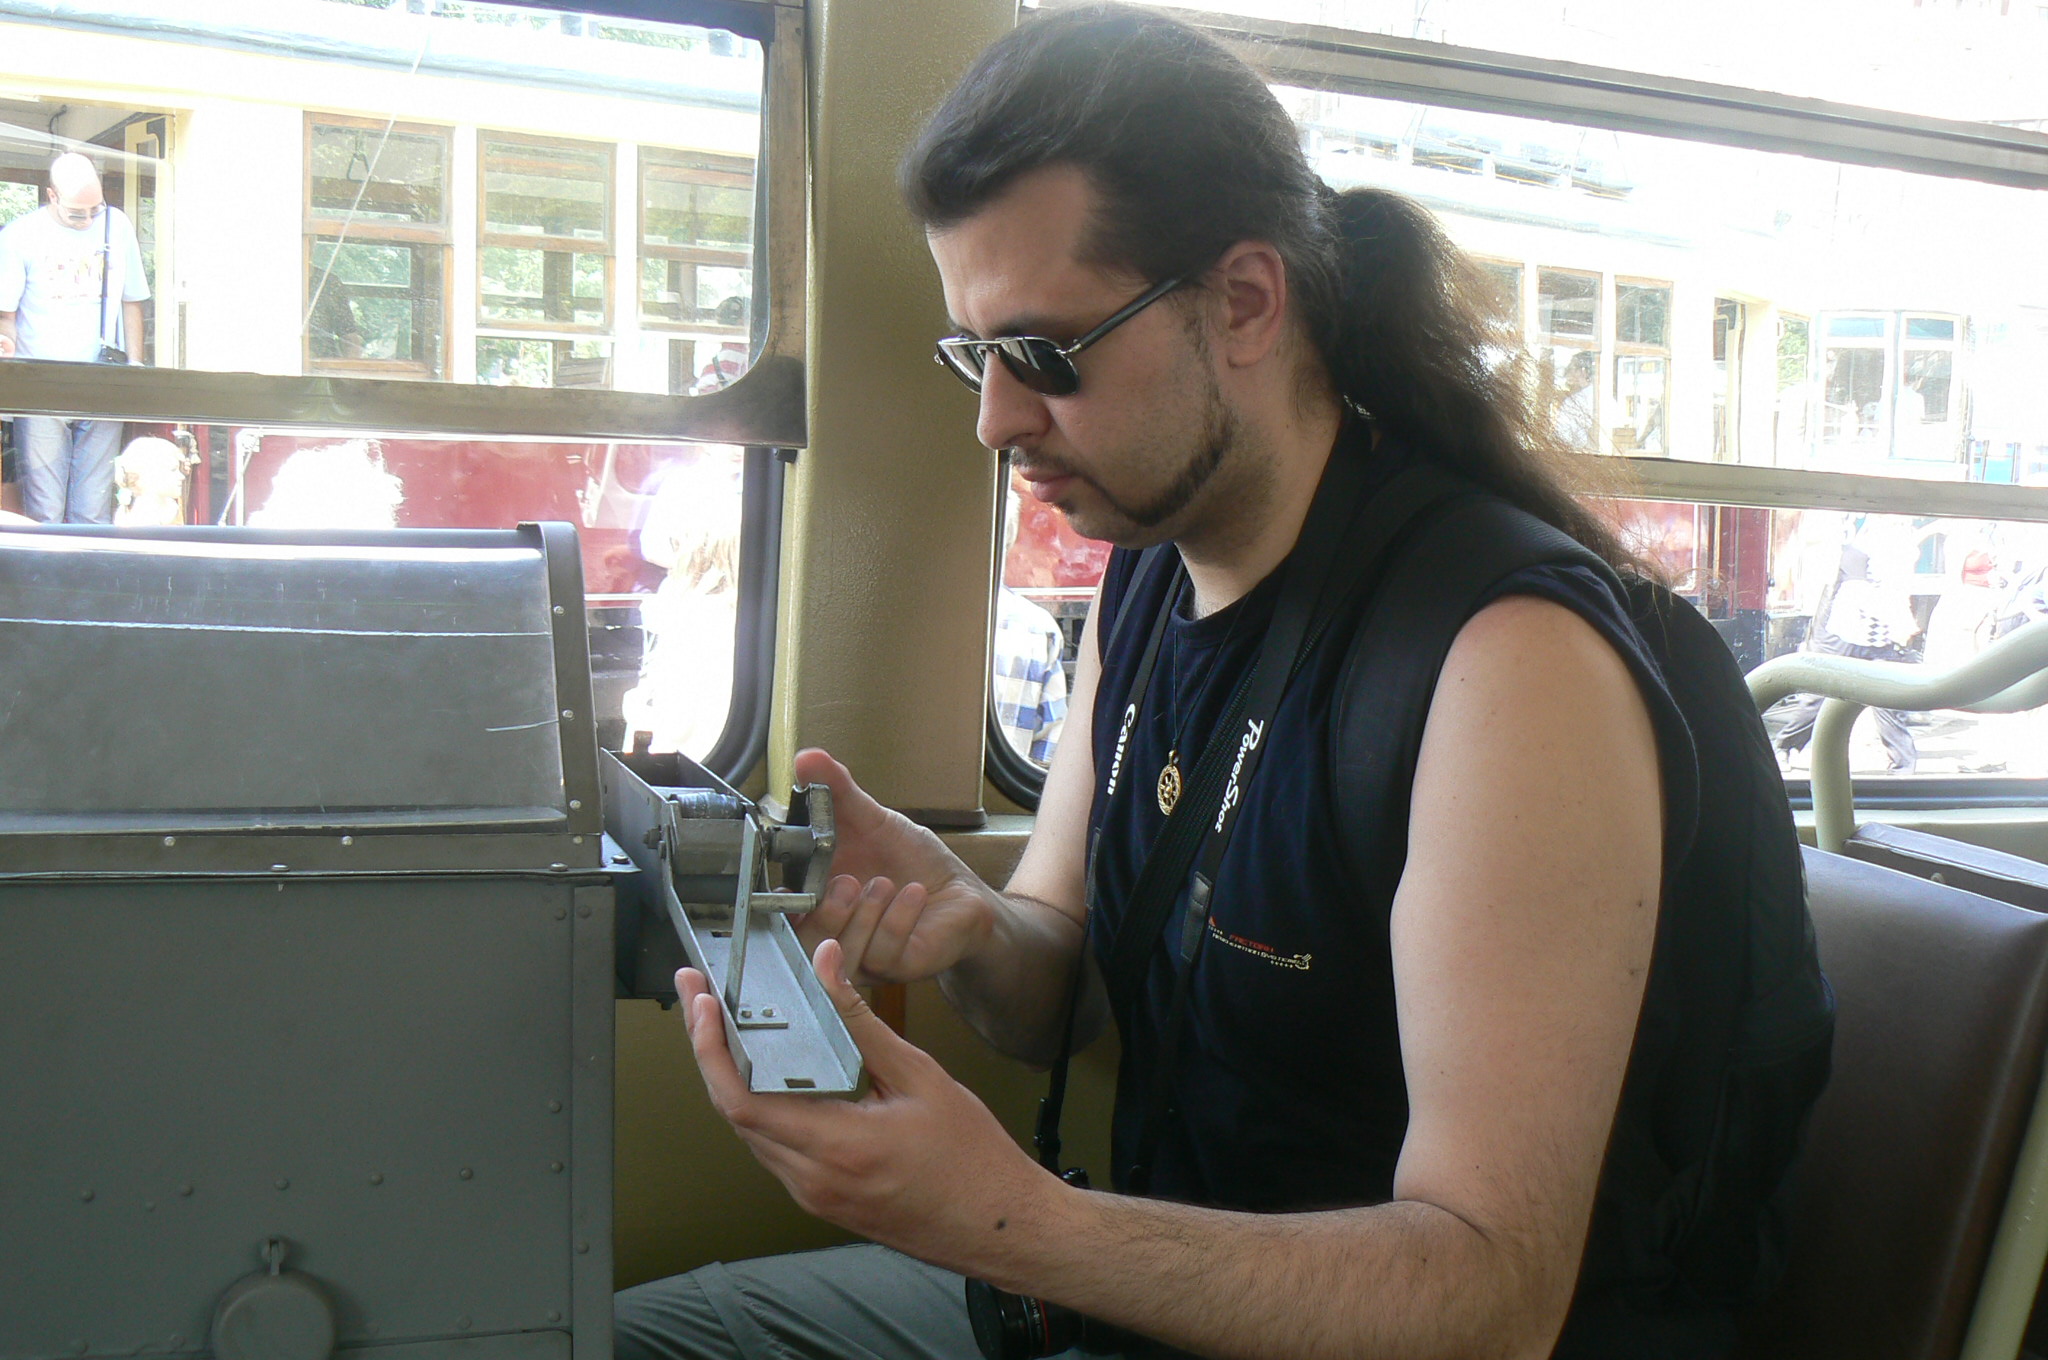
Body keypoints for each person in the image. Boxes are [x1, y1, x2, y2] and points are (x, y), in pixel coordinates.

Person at [616, 8, 1828, 1359]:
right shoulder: (1142, 582)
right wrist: (966, 918)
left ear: (1245, 303)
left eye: (1046, 354)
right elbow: (1062, 991)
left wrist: (1006, 1219)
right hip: (1150, 1295)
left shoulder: (1506, 662)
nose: (996, 419)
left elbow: (1491, 1296)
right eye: (975, 355)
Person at [0, 152, 150, 524]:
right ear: (51, 196)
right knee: (45, 507)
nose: (88, 220)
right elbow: (6, 314)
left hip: (103, 379)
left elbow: (132, 301)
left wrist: (135, 367)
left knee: (94, 509)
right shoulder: (20, 236)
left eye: (95, 209)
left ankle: (87, 560)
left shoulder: (117, 225)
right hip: (41, 383)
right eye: (77, 213)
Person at [1774, 520, 1922, 773]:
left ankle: (1903, 768)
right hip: (1843, 634)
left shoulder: (1897, 554)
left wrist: (1899, 621)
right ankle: (1784, 747)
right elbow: (1858, 594)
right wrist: (1899, 621)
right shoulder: (1858, 552)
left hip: (1881, 637)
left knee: (1888, 696)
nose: (1903, 528)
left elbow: (1898, 591)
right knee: (1819, 695)